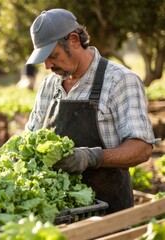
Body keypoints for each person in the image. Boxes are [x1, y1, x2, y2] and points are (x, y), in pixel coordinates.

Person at [24, 9, 158, 214]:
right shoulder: (48, 85)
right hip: (58, 211)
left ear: (74, 41)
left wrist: (91, 157)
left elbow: (142, 148)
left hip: (108, 211)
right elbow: (30, 137)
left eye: (53, 56)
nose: (47, 65)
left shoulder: (120, 80)